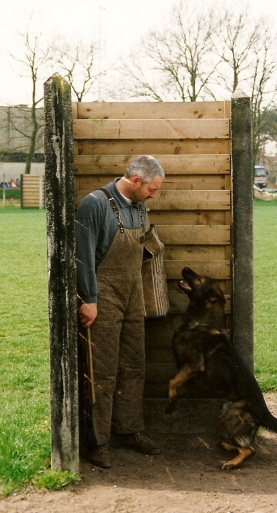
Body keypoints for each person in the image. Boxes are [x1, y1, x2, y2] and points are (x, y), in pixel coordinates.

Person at [75, 155, 165, 468]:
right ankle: (97, 441)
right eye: (152, 189)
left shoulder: (140, 205)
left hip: (133, 292)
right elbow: (83, 256)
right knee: (102, 368)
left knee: (134, 362)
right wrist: (88, 298)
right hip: (103, 294)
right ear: (136, 180)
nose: (154, 195)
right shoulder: (94, 204)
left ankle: (129, 430)